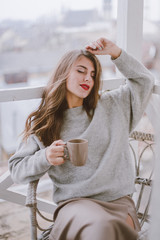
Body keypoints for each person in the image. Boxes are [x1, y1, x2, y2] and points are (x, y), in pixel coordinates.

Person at [9, 37, 154, 240]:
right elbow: (16, 170)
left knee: (111, 229)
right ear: (64, 73)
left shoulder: (113, 105)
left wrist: (116, 53)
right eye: (81, 71)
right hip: (75, 206)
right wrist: (45, 157)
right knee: (104, 229)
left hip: (119, 203)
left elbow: (144, 81)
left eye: (93, 74)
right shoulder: (45, 123)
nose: (88, 79)